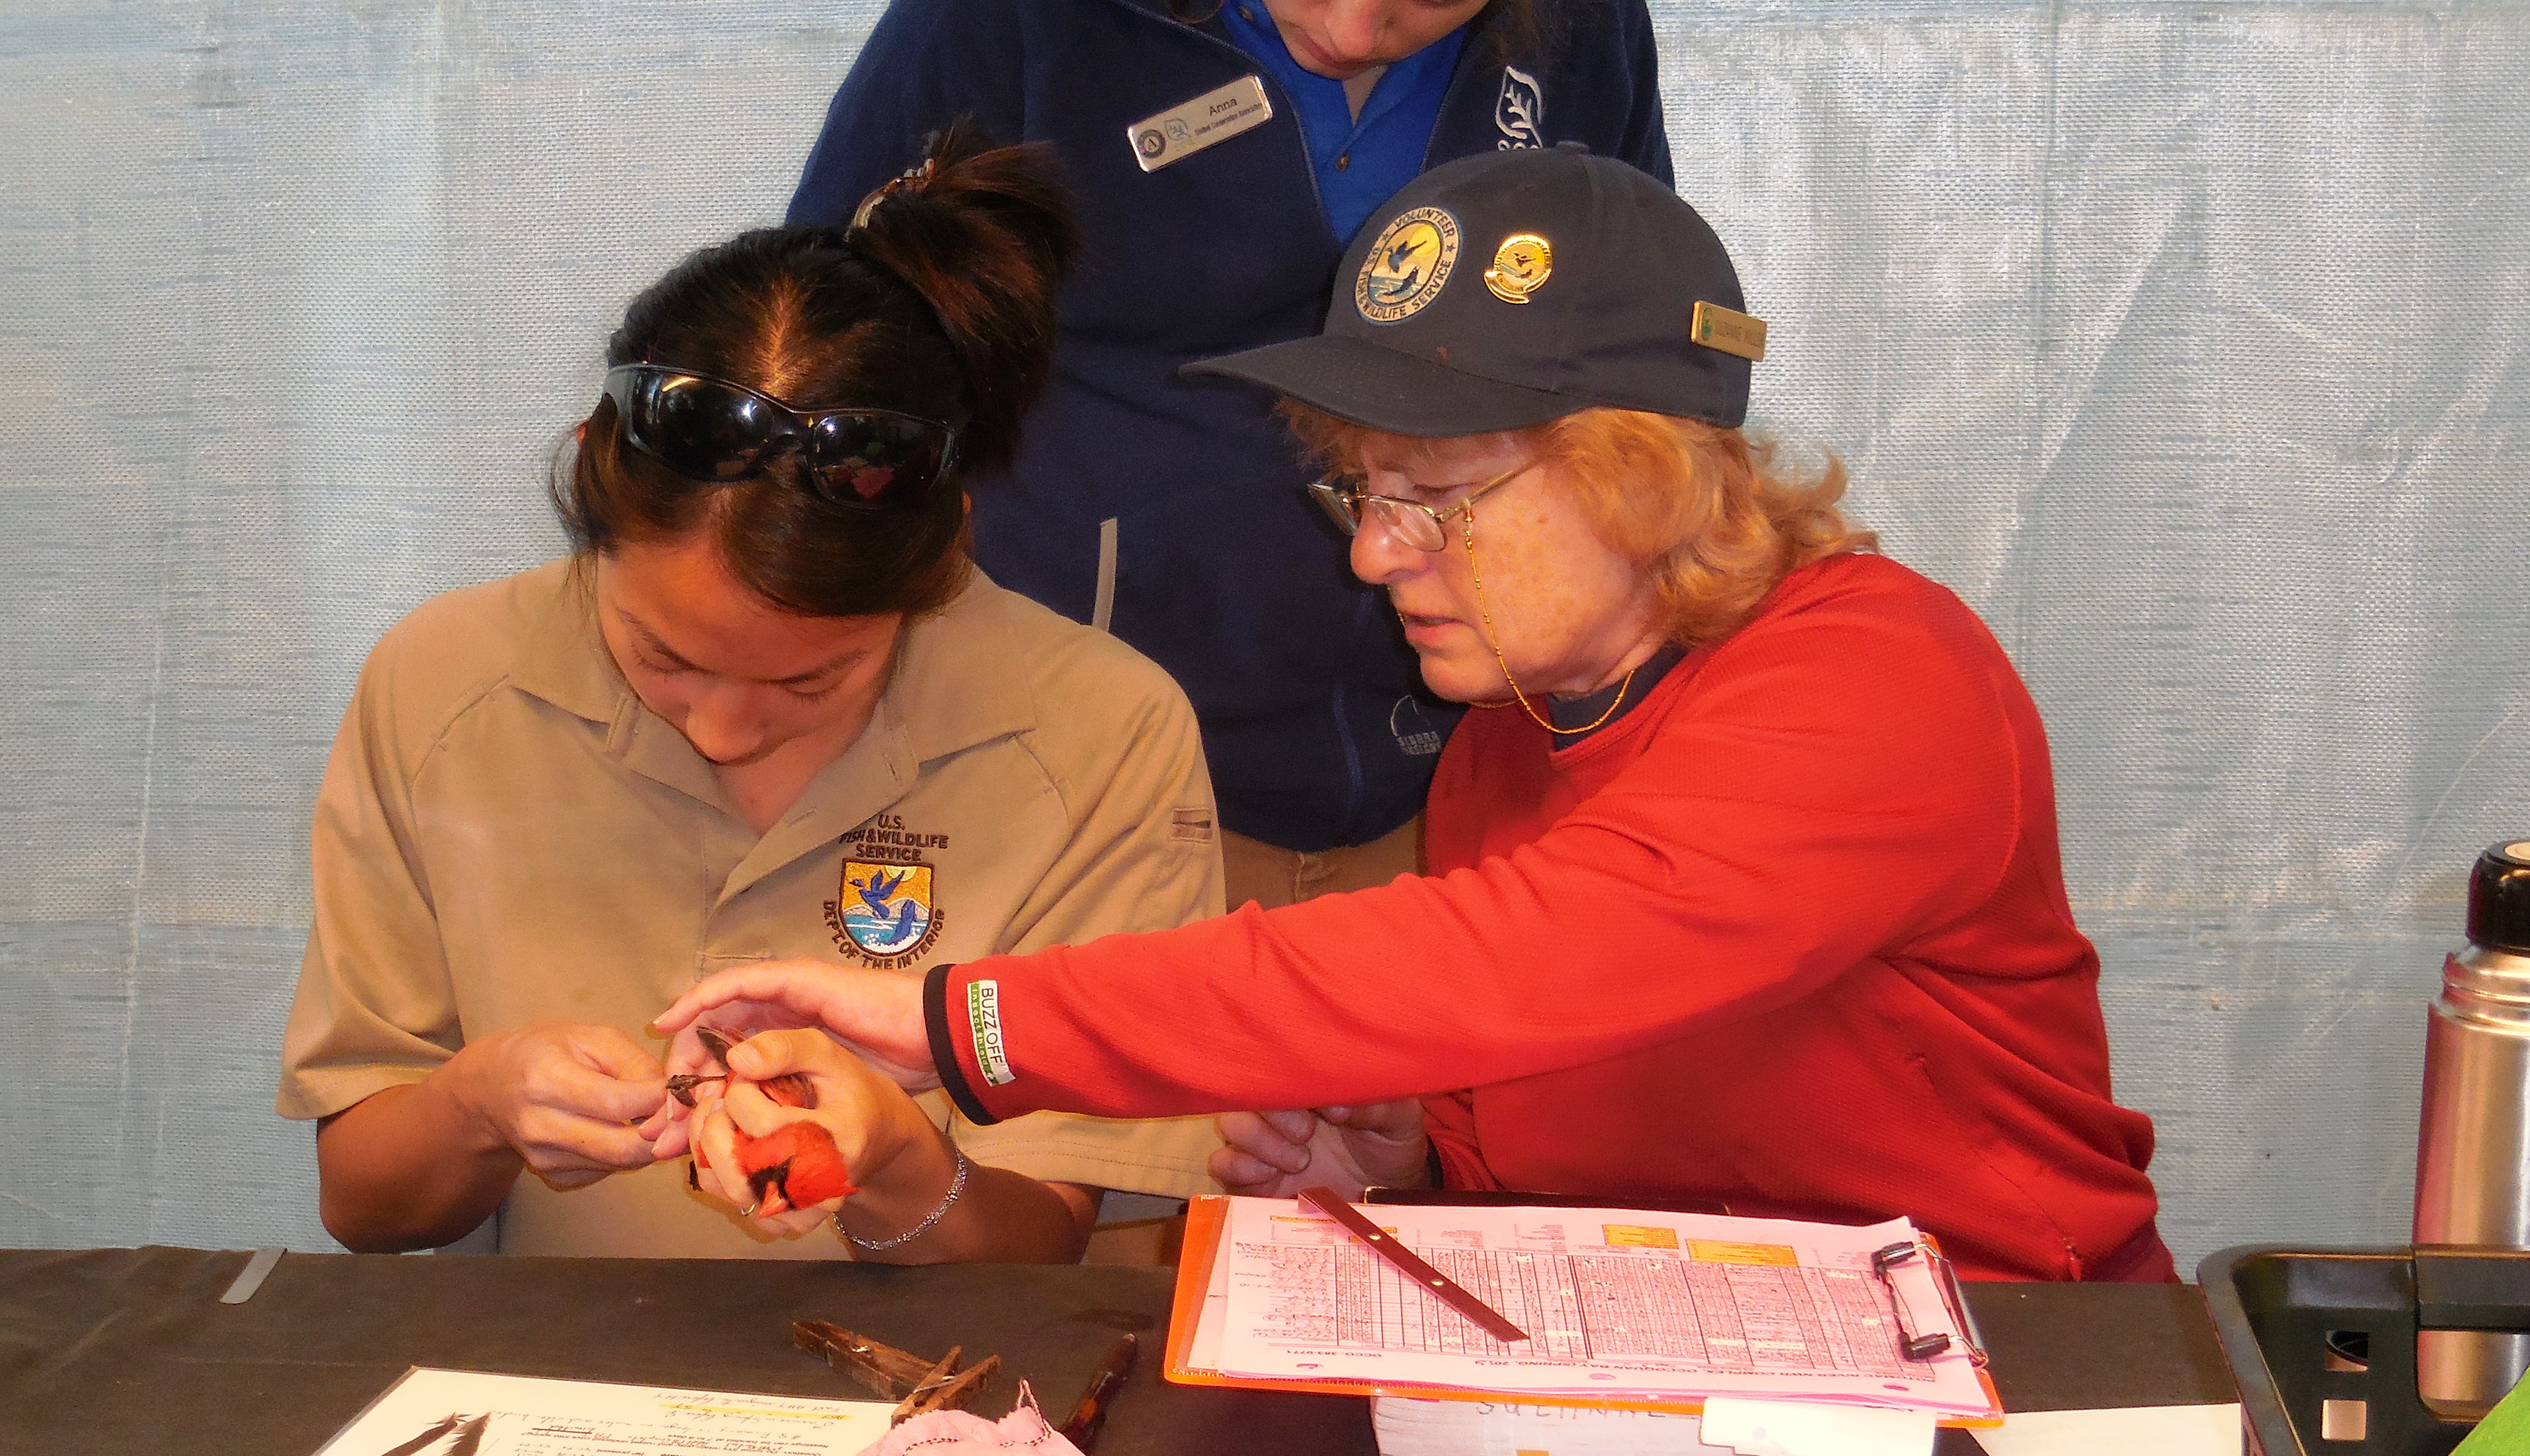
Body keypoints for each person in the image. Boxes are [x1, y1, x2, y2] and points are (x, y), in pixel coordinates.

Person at [655, 145, 2180, 1283]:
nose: (1375, 555)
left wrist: (961, 1018)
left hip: (2013, 1366)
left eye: (1434, 497)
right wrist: (1417, 1166)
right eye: (1362, 491)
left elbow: (1529, 959)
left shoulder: (1873, 675)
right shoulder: (1511, 733)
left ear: (1643, 476)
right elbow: (1595, 1092)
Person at [276, 126, 1227, 1259]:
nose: (723, 731)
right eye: (662, 659)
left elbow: (1041, 1255)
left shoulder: (1101, 734)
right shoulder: (442, 684)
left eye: (812, 679)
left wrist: (897, 1162)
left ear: (941, 553)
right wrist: (477, 1104)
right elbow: (366, 1208)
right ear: (589, 482)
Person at [787, 0, 1667, 916]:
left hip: (1465, 781)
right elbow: (833, 370)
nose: (1352, 27)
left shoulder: (1583, 7)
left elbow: (1638, 369)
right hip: (1093, 786)